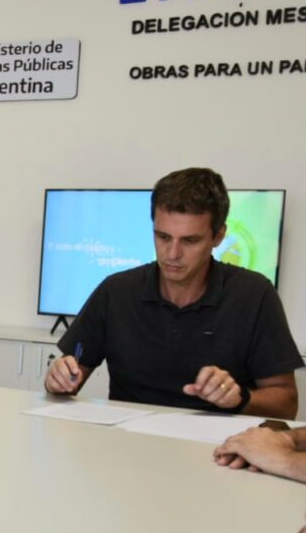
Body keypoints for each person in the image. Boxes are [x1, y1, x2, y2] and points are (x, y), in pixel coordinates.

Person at [45, 168, 303, 419]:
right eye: (163, 237)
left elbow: (286, 403)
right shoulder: (116, 291)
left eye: (190, 240)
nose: (172, 254)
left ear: (219, 236)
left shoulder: (254, 295)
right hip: (128, 438)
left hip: (217, 442)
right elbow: (67, 380)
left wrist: (240, 398)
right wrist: (57, 380)